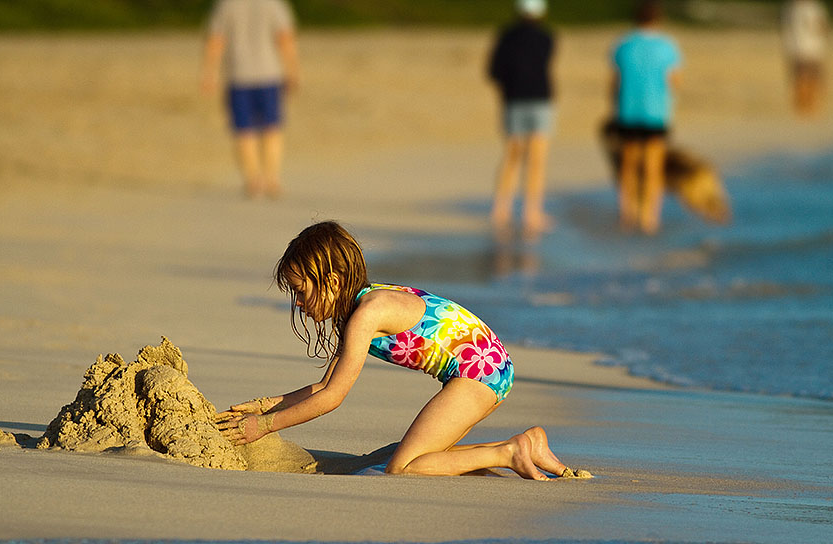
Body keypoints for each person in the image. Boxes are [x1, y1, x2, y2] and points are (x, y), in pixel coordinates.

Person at [215, 221, 569, 479]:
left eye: (301, 291)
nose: (299, 304)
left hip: (480, 372)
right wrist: (264, 406)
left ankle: (509, 451)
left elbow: (333, 398)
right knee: (413, 455)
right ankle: (530, 445)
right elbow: (324, 386)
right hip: (486, 364)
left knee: (404, 468)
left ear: (333, 282)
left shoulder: (368, 313)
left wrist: (263, 427)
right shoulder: (358, 306)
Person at [201, 0, 300, 199]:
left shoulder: (226, 5)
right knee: (272, 127)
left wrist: (209, 72)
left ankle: (253, 180)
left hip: (239, 75)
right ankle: (272, 178)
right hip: (269, 73)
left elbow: (216, 40)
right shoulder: (273, 4)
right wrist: (293, 69)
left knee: (243, 130)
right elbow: (285, 38)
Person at [610, 0, 682, 236]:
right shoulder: (667, 46)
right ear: (658, 19)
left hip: (628, 109)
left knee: (628, 163)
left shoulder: (623, 44)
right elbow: (674, 81)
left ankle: (627, 213)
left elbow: (614, 82)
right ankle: (650, 217)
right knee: (653, 166)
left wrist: (614, 105)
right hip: (656, 111)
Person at [488, 0, 556, 239]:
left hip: (514, 100)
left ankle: (501, 209)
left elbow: (494, 71)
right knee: (536, 158)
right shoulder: (547, 37)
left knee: (512, 154)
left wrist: (508, 88)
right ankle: (532, 212)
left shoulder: (506, 37)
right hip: (540, 99)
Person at [781, 0, 828, 117]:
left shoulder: (796, 8)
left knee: (807, 77)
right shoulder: (797, 8)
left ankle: (808, 106)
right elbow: (822, 27)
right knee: (803, 77)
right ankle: (804, 106)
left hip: (805, 48)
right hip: (804, 48)